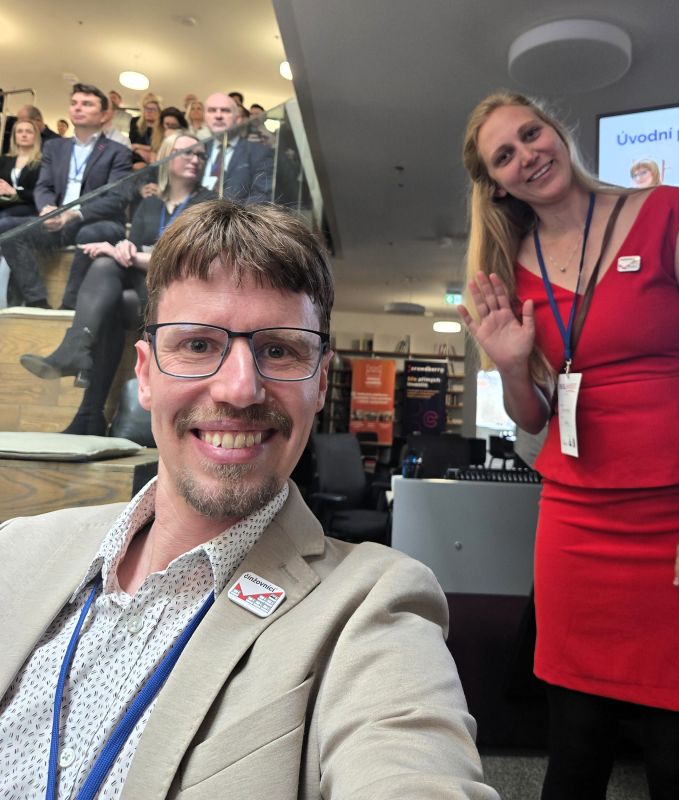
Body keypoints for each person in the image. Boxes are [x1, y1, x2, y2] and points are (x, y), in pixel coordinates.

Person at [0, 199, 498, 800]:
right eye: (197, 345)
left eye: (280, 350)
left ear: (321, 382)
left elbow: (410, 766)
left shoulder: (372, 607)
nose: (239, 389)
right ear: (147, 374)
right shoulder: (16, 549)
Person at [458, 90, 679, 799]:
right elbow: (534, 417)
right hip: (579, 526)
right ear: (495, 184)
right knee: (574, 750)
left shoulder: (670, 214)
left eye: (531, 132)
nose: (528, 155)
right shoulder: (512, 268)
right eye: (505, 155)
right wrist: (511, 368)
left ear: (556, 130)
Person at [19, 133, 214, 435]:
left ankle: (84, 389)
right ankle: (87, 407)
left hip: (178, 294)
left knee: (107, 268)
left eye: (200, 155)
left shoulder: (207, 203)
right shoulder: (150, 203)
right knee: (110, 284)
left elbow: (190, 260)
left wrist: (130, 255)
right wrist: (123, 249)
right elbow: (132, 247)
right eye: (187, 152)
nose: (195, 159)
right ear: (167, 156)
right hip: (141, 290)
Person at [2, 83, 132, 309]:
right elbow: (43, 186)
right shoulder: (54, 147)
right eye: (74, 103)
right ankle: (37, 301)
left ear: (103, 115)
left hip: (97, 221)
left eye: (87, 104)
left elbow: (117, 198)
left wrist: (72, 214)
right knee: (7, 228)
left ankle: (69, 306)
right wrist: (47, 209)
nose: (77, 108)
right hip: (58, 220)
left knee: (89, 233)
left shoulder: (118, 151)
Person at [202, 92, 273, 203]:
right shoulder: (197, 150)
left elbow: (261, 196)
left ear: (238, 118)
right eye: (212, 110)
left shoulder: (259, 152)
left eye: (225, 111)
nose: (218, 116)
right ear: (205, 118)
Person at [0, 120, 42, 235]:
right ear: (14, 136)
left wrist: (15, 192)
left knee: (3, 217)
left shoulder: (42, 163)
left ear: (35, 136)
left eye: (28, 131)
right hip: (4, 203)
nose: (24, 135)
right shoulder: (4, 160)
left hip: (29, 205)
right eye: (19, 131)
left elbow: (40, 193)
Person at [129, 93, 162, 169]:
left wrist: (139, 146)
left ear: (159, 112)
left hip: (156, 158)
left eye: (153, 109)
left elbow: (161, 147)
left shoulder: (161, 127)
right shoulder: (135, 123)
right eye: (147, 109)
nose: (149, 112)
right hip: (136, 157)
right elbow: (131, 145)